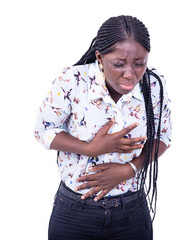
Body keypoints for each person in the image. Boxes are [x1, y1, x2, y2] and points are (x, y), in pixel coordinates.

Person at [34, 15, 172, 240]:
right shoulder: (73, 81)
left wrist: (130, 169)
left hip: (132, 212)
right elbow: (44, 130)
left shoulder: (154, 84)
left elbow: (163, 137)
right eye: (118, 64)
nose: (130, 73)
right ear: (100, 57)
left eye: (139, 63)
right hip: (75, 212)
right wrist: (91, 149)